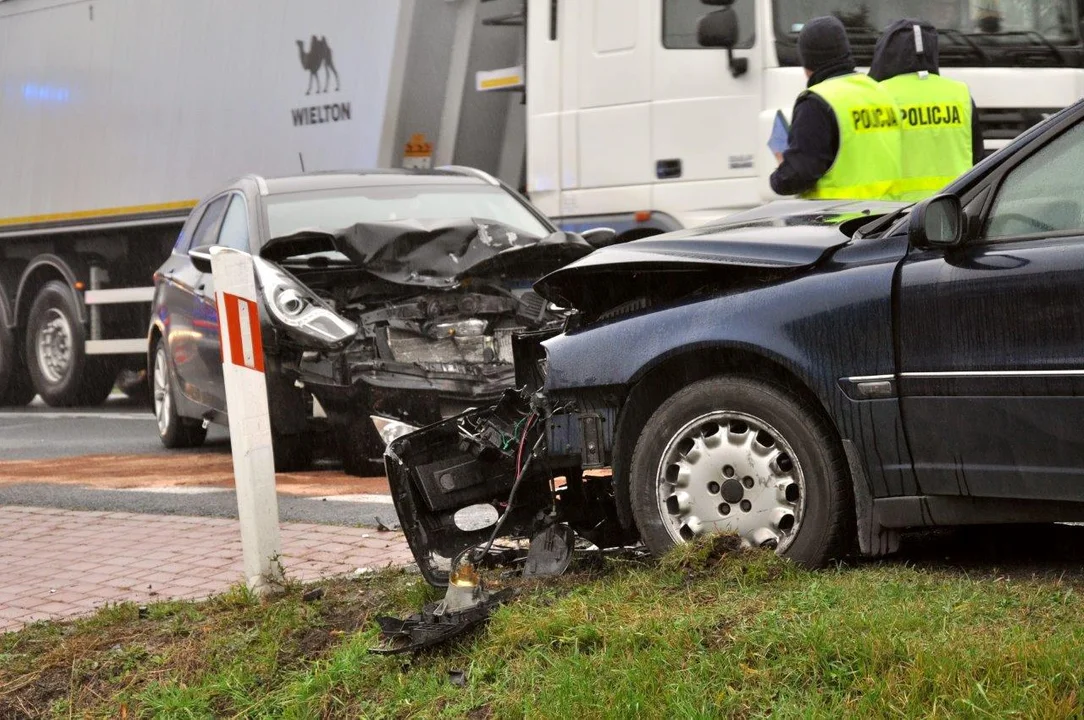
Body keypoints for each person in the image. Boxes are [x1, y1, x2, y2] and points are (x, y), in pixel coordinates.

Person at [770, 16, 903, 200]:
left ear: (808, 62)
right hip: (886, 222)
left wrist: (781, 171)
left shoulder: (817, 102)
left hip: (837, 223)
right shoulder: (880, 91)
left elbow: (797, 176)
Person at [870, 18, 984, 202]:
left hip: (895, 215)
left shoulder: (878, 95)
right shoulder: (960, 94)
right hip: (954, 208)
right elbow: (978, 158)